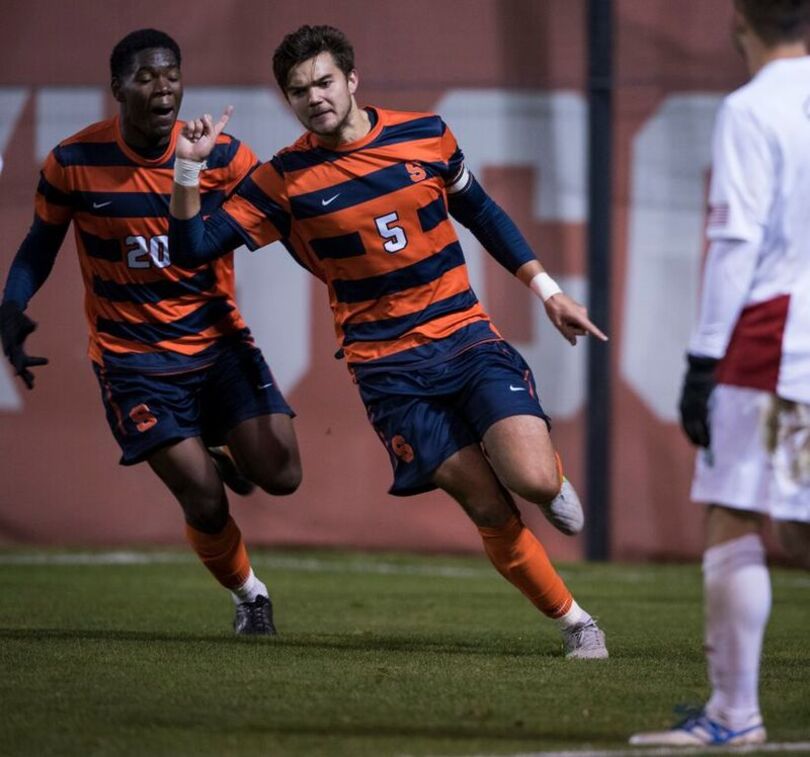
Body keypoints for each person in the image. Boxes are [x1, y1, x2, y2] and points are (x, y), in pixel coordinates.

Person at [168, 24, 610, 658]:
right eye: (298, 91)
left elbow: (481, 212)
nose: (314, 97)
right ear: (288, 101)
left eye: (323, 82)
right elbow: (190, 248)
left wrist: (549, 292)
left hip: (465, 337)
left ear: (351, 80)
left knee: (533, 481)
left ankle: (551, 479)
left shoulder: (425, 134)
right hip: (388, 369)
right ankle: (577, 623)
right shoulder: (284, 179)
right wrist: (189, 166)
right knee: (487, 507)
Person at [0, 28, 303, 635]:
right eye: (146, 76)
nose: (162, 87)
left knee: (283, 476)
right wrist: (11, 307)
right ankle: (250, 596)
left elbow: (290, 220)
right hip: (132, 359)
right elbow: (39, 247)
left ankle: (217, 448)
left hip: (218, 346)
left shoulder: (221, 157)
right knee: (205, 497)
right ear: (117, 88)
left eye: (171, 74)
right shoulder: (73, 162)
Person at [630, 0, 810, 746]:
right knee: (801, 526)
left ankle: (734, 714)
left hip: (774, 338)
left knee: (734, 513)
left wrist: (704, 359)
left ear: (740, 19)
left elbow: (737, 240)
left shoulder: (750, 108)